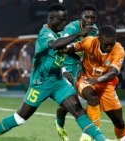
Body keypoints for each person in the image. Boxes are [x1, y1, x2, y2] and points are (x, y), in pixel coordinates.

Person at [0, 3, 113, 141]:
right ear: (51, 18)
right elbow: (55, 45)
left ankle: (103, 140)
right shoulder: (44, 33)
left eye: (65, 19)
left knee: (78, 111)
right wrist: (79, 34)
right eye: (61, 20)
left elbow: (69, 50)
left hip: (58, 81)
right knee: (20, 118)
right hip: (40, 83)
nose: (64, 23)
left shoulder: (60, 32)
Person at [60, 25, 125, 141]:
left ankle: (123, 138)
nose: (109, 47)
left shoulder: (118, 49)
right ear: (99, 39)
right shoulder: (89, 42)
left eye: (111, 44)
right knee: (92, 97)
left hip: (105, 85)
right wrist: (61, 49)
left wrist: (97, 80)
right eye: (105, 44)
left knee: (119, 122)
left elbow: (113, 72)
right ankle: (91, 135)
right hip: (85, 79)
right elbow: (71, 49)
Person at [54, 4, 98, 141]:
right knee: (68, 105)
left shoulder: (95, 31)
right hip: (66, 68)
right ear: (81, 18)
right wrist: (62, 69)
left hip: (80, 69)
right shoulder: (71, 29)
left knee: (92, 97)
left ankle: (86, 135)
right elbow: (59, 49)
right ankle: (59, 123)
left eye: (93, 17)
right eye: (87, 17)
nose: (90, 20)